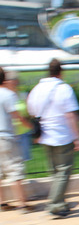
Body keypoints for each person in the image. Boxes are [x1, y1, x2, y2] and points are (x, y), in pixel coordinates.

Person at [27, 59, 79, 217]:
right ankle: (56, 204)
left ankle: (60, 201)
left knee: (55, 171)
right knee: (64, 171)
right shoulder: (64, 88)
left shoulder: (37, 89)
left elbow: (31, 110)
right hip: (62, 135)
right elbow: (71, 115)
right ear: (61, 72)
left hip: (45, 135)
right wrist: (78, 137)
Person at [0, 67, 34, 213]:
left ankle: (2, 204)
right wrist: (31, 126)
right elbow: (17, 117)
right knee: (15, 170)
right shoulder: (8, 95)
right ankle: (22, 204)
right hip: (6, 136)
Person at [4, 70, 31, 162]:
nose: (14, 82)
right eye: (11, 79)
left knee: (21, 161)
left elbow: (28, 112)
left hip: (22, 132)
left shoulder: (22, 95)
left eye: (15, 79)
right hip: (9, 133)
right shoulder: (4, 95)